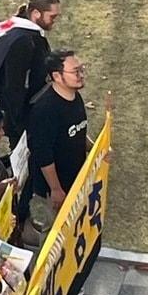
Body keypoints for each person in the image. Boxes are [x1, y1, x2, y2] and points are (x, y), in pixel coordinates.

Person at [23, 49, 91, 217]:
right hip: (57, 187)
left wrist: (99, 148)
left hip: (76, 179)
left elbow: (78, 130)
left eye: (82, 69)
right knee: (55, 233)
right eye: (76, 71)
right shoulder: (45, 110)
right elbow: (43, 153)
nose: (81, 75)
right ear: (57, 76)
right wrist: (55, 189)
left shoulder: (75, 97)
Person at [0, 0, 61, 141]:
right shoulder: (23, 41)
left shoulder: (27, 35)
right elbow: (14, 85)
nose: (55, 20)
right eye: (52, 16)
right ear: (36, 13)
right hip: (22, 116)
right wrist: (19, 124)